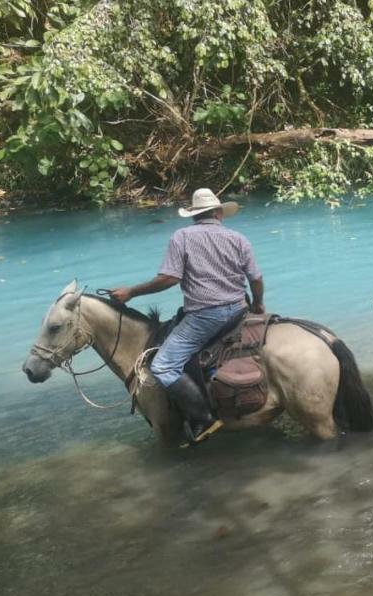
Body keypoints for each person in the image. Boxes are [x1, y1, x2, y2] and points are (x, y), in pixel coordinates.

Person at [110, 188, 263, 444]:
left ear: (194, 215)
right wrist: (258, 304)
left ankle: (203, 418)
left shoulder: (181, 237)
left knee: (163, 365)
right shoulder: (238, 238)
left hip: (206, 315)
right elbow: (255, 279)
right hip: (238, 310)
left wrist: (132, 292)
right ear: (218, 213)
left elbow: (169, 279)